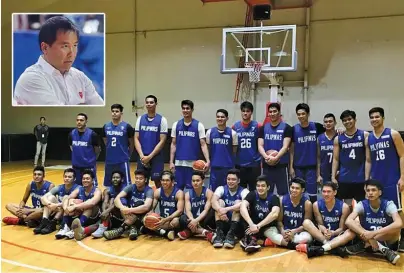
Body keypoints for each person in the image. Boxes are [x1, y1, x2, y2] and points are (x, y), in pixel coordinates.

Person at [13, 16, 104, 106]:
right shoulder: (31, 79)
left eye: (75, 45)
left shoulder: (80, 77)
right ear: (45, 47)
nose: (72, 53)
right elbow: (58, 117)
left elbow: (101, 111)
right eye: (65, 46)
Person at [368, 107, 404, 252]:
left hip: (392, 179)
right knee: (382, 210)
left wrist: (402, 176)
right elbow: (369, 160)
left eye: (377, 117)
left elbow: (402, 155)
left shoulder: (393, 134)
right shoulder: (369, 137)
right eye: (372, 117)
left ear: (383, 118)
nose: (374, 119)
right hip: (377, 180)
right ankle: (389, 239)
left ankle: (403, 239)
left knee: (398, 209)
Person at [345, 179, 401, 265]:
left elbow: (399, 223)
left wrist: (373, 233)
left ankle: (364, 245)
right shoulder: (362, 204)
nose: (370, 193)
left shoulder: (389, 204)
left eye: (373, 190)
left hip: (385, 239)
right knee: (354, 223)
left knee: (396, 229)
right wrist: (370, 238)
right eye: (368, 190)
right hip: (368, 238)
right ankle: (382, 249)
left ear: (380, 192)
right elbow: (348, 221)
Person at [296, 182, 353, 258]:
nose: (326, 194)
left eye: (329, 191)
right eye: (324, 191)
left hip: (337, 235)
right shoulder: (316, 205)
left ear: (335, 192)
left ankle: (323, 248)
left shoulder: (344, 207)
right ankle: (330, 246)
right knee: (306, 222)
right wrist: (325, 231)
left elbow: (342, 229)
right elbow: (320, 224)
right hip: (323, 236)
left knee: (350, 232)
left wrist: (333, 233)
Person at [290, 103, 327, 202]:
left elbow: (330, 131)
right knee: (297, 193)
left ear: (308, 114)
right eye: (298, 114)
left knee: (312, 195)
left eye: (303, 114)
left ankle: (312, 216)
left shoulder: (316, 127)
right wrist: (291, 167)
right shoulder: (293, 129)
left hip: (312, 167)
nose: (301, 116)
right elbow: (292, 150)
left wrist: (339, 130)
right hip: (298, 167)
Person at [170, 100, 210, 190]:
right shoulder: (176, 125)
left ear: (192, 110)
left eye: (187, 108)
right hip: (179, 163)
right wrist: (171, 161)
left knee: (192, 189)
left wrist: (208, 160)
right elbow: (173, 144)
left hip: (193, 164)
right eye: (183, 108)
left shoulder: (199, 125)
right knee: (178, 189)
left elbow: (203, 144)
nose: (185, 110)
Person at [332, 110, 370, 204]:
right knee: (345, 206)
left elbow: (369, 159)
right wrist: (333, 177)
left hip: (360, 178)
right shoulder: (338, 139)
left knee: (362, 206)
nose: (347, 122)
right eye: (345, 120)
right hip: (345, 178)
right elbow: (335, 159)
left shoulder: (364, 135)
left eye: (349, 119)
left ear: (355, 119)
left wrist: (367, 178)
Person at [103, 169, 154, 240]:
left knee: (140, 203)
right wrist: (123, 208)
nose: (138, 180)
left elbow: (146, 207)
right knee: (121, 201)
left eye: (140, 179)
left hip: (142, 217)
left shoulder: (149, 190)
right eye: (136, 178)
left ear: (145, 180)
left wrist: (129, 210)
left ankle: (120, 230)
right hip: (129, 215)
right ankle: (133, 228)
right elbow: (117, 198)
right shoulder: (131, 187)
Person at [265, 177, 313, 250]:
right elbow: (279, 221)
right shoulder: (282, 200)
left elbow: (306, 225)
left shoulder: (307, 203)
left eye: (297, 188)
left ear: (302, 190)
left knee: (308, 238)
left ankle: (278, 242)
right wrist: (282, 231)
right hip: (284, 231)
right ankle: (295, 245)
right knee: (269, 231)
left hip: (298, 233)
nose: (294, 190)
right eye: (292, 187)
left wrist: (293, 232)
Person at [258, 103, 293, 195]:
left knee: (284, 193)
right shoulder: (263, 128)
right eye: (270, 112)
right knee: (266, 193)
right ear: (268, 114)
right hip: (267, 165)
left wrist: (276, 157)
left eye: (274, 111)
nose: (272, 114)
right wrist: (266, 157)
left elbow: (285, 147)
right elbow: (260, 146)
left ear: (279, 113)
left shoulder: (287, 128)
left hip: (281, 166)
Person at [239, 175, 280, 253]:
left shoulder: (274, 197)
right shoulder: (252, 194)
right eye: (258, 186)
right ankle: (251, 239)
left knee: (276, 237)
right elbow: (242, 207)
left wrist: (258, 226)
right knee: (243, 213)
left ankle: (253, 239)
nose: (260, 188)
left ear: (268, 187)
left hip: (266, 226)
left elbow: (275, 214)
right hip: (252, 225)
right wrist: (251, 224)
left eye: (263, 186)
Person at [135, 95, 168, 188]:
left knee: (158, 182)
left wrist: (150, 157)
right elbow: (136, 138)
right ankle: (143, 201)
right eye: (147, 102)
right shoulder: (140, 119)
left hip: (156, 157)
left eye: (151, 102)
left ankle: (160, 201)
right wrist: (142, 156)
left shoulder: (162, 120)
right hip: (142, 156)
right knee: (141, 182)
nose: (149, 104)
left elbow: (162, 141)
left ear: (156, 104)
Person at [211, 169, 249, 249]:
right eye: (228, 179)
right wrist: (220, 210)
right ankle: (219, 233)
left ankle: (231, 234)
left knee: (239, 203)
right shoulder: (221, 188)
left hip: (237, 225)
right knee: (219, 201)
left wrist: (227, 209)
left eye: (233, 179)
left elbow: (245, 204)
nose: (230, 181)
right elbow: (213, 200)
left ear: (238, 181)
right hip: (223, 220)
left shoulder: (244, 191)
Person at [61, 170, 102, 240]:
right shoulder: (79, 189)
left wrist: (74, 206)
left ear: (92, 180)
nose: (85, 180)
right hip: (82, 214)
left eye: (87, 178)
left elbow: (92, 202)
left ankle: (76, 228)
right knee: (69, 200)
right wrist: (66, 208)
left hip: (94, 217)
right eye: (83, 179)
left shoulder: (97, 191)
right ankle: (66, 227)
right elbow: (67, 198)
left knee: (88, 205)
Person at [36, 168, 79, 235]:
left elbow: (68, 202)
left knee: (65, 199)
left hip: (70, 213)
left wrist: (55, 205)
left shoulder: (77, 188)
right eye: (65, 176)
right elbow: (43, 198)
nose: (67, 178)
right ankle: (44, 221)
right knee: (50, 198)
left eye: (69, 177)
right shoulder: (60, 187)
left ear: (74, 179)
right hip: (58, 211)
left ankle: (54, 222)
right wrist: (49, 204)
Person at [102, 104, 134, 187]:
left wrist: (128, 155)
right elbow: (106, 141)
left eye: (117, 111)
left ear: (121, 113)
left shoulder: (127, 127)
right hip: (109, 160)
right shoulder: (106, 126)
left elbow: (131, 143)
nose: (114, 113)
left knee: (126, 183)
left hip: (122, 160)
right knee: (108, 183)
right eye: (113, 111)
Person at [206, 109, 238, 191]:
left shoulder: (233, 133)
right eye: (218, 117)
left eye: (222, 117)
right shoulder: (210, 132)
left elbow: (234, 150)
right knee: (214, 191)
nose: (220, 119)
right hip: (214, 167)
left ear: (227, 118)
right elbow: (208, 148)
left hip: (228, 167)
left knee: (227, 191)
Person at [177, 171, 214, 240]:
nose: (195, 183)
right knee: (182, 218)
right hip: (193, 219)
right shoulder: (188, 194)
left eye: (197, 181)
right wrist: (192, 220)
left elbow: (206, 210)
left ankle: (189, 231)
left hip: (204, 219)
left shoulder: (208, 192)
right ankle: (204, 232)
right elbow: (188, 210)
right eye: (193, 181)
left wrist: (196, 221)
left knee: (211, 213)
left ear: (203, 181)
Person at [233, 101, 261, 190]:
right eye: (243, 111)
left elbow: (261, 144)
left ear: (251, 112)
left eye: (248, 111)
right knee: (241, 191)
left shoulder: (257, 126)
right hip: (240, 164)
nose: (245, 113)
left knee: (254, 190)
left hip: (254, 164)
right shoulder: (235, 126)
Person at [148, 170, 184, 240]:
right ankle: (166, 233)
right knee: (146, 220)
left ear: (172, 182)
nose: (164, 182)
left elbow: (180, 211)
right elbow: (152, 208)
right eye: (163, 180)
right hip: (162, 219)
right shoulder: (158, 192)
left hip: (172, 219)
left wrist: (166, 220)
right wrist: (150, 215)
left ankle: (159, 231)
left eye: (167, 180)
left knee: (176, 221)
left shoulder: (178, 193)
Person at [90, 170, 126, 239]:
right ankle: (103, 225)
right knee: (109, 200)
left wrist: (107, 211)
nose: (115, 179)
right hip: (111, 216)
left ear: (122, 179)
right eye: (113, 177)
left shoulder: (124, 190)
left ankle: (104, 225)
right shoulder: (108, 190)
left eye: (117, 177)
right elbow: (105, 202)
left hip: (122, 215)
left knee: (113, 200)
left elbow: (118, 204)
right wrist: (104, 212)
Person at [69, 113, 101, 186]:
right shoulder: (71, 134)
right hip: (76, 167)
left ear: (86, 121)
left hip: (89, 167)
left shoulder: (92, 134)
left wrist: (91, 160)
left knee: (92, 189)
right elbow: (71, 148)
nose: (79, 122)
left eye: (81, 120)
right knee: (77, 189)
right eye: (77, 120)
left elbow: (97, 150)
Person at [317, 113, 337, 184]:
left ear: (335, 123)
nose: (328, 123)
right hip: (324, 173)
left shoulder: (340, 136)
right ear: (323, 124)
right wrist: (318, 175)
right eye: (326, 122)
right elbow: (318, 158)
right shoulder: (319, 138)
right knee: (326, 194)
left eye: (330, 121)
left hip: (338, 173)